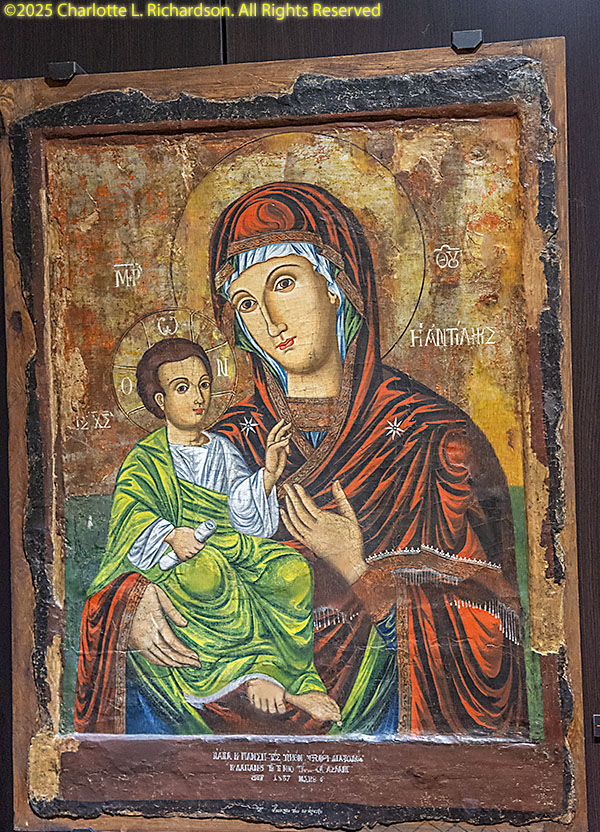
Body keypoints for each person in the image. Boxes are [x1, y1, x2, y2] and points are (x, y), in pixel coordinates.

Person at [76, 180, 528, 738]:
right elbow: (134, 549)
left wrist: (359, 569)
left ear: (337, 284)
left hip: (385, 729)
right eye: (246, 303)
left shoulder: (434, 442)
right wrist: (129, 607)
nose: (270, 320)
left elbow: (493, 632)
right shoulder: (223, 442)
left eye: (284, 283)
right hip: (217, 697)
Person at [75, 336, 341, 733]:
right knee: (208, 573)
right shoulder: (145, 459)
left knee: (290, 569)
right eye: (182, 388)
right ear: (160, 400)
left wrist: (267, 476)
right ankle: (249, 674)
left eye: (203, 384)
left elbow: (244, 514)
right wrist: (170, 534)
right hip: (177, 558)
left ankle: (293, 677)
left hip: (231, 543)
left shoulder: (222, 448)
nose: (198, 397)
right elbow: (133, 516)